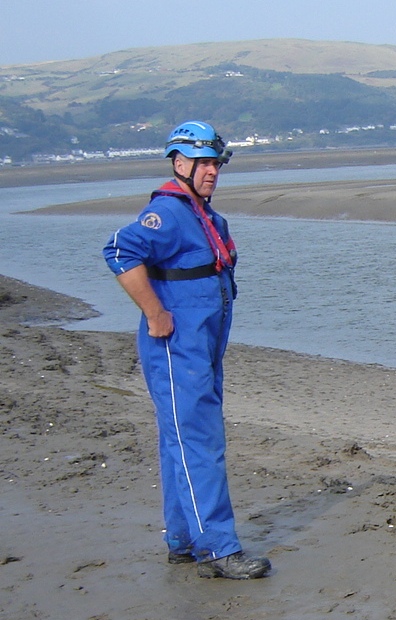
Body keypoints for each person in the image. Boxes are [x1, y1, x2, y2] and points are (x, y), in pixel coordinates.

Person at [102, 121, 271, 579]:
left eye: (217, 163)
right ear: (180, 163)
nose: (213, 171)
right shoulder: (170, 214)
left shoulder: (206, 216)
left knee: (181, 438)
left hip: (203, 347)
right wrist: (155, 313)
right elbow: (119, 250)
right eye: (204, 163)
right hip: (178, 349)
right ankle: (218, 548)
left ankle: (183, 541)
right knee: (201, 441)